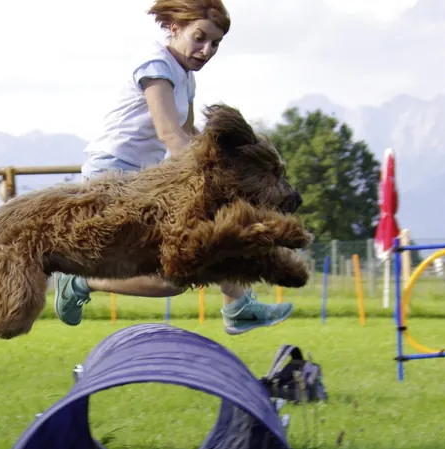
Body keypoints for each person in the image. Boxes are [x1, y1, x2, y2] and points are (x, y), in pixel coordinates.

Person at [53, 0, 294, 335]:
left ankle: (238, 306)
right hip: (111, 178)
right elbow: (169, 133)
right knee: (175, 274)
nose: (207, 50)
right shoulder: (155, 65)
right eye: (200, 38)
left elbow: (191, 135)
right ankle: (82, 281)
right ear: (174, 28)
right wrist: (214, 180)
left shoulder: (186, 76)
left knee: (205, 237)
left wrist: (233, 164)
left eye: (215, 44)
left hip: (143, 179)